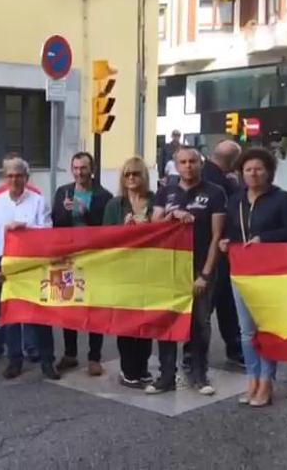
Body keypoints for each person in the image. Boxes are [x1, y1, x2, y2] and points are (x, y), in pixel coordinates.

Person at [218, 147, 287, 408]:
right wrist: (226, 242)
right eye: (248, 169)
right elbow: (232, 230)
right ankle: (251, 378)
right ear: (241, 173)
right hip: (241, 271)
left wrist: (264, 239)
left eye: (258, 169)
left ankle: (266, 380)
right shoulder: (236, 200)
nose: (253, 174)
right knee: (246, 331)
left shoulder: (282, 199)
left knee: (266, 328)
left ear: (269, 173)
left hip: (271, 274)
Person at [147, 147, 225, 396]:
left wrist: (205, 274)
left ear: (200, 164)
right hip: (170, 270)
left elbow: (217, 237)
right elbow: (153, 226)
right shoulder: (165, 192)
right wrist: (172, 214)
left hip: (201, 267)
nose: (188, 166)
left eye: (193, 161)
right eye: (183, 162)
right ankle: (166, 375)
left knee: (200, 324)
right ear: (175, 165)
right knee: (168, 321)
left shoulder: (215, 193)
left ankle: (199, 374)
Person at [0, 157, 58, 380]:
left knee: (40, 315)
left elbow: (47, 232)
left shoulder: (38, 201)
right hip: (4, 263)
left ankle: (47, 361)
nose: (14, 179)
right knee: (10, 315)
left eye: (19, 175)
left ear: (27, 177)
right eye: (10, 175)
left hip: (32, 264)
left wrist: (26, 227)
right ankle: (14, 359)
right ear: (5, 178)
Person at [51, 152, 113, 376]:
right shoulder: (62, 192)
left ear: (92, 169)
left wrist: (85, 213)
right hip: (67, 258)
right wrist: (65, 212)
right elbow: (55, 224)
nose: (79, 172)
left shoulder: (104, 196)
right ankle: (70, 353)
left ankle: (94, 357)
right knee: (68, 305)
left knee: (94, 307)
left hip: (94, 259)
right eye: (75, 168)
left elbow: (106, 229)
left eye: (83, 168)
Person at [103, 157, 155, 388]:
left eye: (136, 174)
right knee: (126, 323)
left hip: (150, 271)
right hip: (123, 272)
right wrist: (124, 231)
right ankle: (128, 370)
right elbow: (105, 239)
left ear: (144, 176)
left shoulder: (155, 202)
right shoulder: (115, 205)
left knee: (147, 320)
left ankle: (142, 368)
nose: (132, 178)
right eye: (127, 175)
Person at [200, 140, 244, 369]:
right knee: (222, 303)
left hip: (202, 249)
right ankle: (234, 350)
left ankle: (196, 353)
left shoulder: (204, 174)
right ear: (234, 161)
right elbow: (234, 208)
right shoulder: (224, 183)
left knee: (209, 305)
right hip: (218, 250)